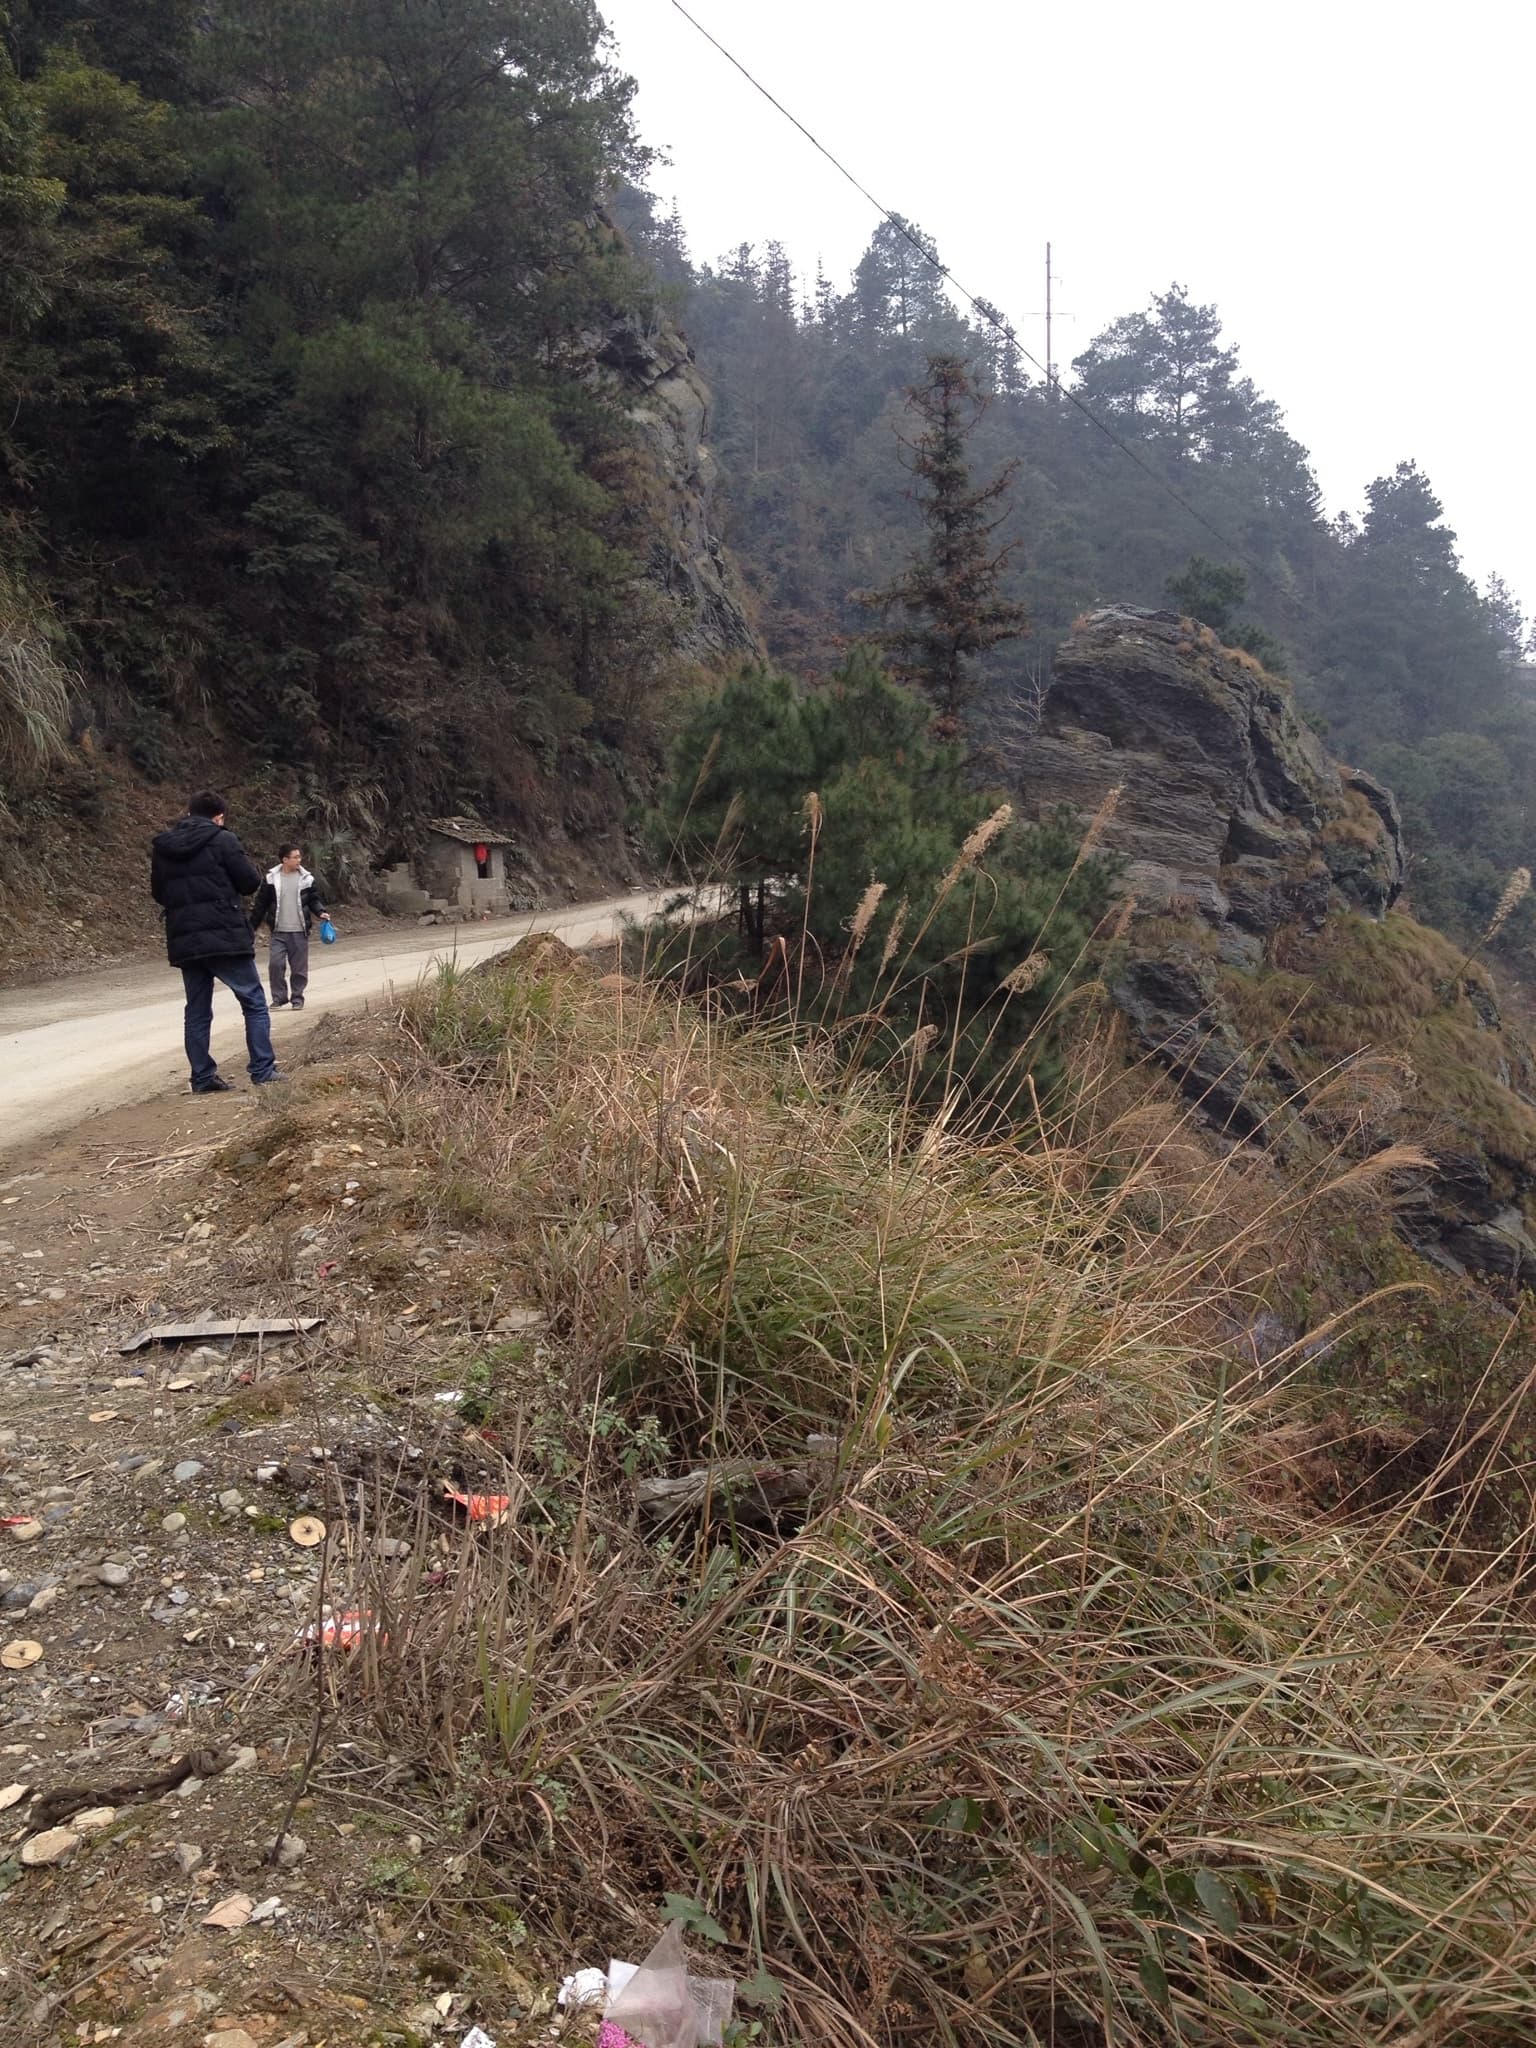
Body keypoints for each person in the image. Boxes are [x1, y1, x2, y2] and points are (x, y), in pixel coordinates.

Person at [150, 790, 282, 1095]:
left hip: (185, 938)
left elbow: (158, 892)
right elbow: (250, 882)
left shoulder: (164, 847)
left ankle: (202, 1077)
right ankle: (263, 1070)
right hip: (224, 934)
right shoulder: (223, 840)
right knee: (253, 1002)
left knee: (197, 1009)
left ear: (188, 813)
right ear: (219, 816)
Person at [250, 842, 328, 1011]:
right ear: (285, 860)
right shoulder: (271, 879)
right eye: (295, 857)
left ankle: (297, 998)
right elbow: (261, 904)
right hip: (278, 931)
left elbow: (313, 900)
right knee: (275, 965)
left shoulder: (306, 878)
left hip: (300, 931)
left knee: (299, 968)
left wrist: (321, 912)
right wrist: (252, 927)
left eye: (299, 857)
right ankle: (279, 998)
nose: (299, 860)